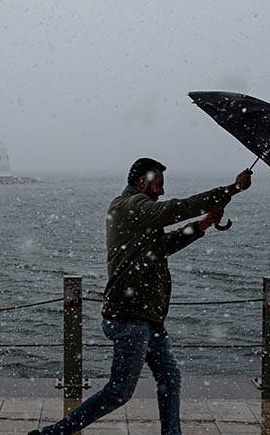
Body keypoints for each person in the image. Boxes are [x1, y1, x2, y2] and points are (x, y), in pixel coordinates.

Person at [30, 158, 252, 435]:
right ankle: (52, 434)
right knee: (119, 392)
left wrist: (202, 224)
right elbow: (175, 209)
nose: (162, 191)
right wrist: (232, 189)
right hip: (130, 316)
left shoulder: (137, 212)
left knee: (170, 378)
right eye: (159, 185)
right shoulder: (130, 206)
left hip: (147, 316)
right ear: (141, 182)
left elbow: (162, 245)